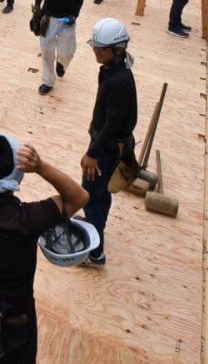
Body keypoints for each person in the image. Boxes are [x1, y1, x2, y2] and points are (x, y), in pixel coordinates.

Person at [0, 135, 87, 363]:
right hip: (16, 312)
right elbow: (79, 196)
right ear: (18, 175)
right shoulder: (30, 219)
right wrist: (40, 166)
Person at [80, 17, 138, 267]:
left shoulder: (119, 82)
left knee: (90, 196)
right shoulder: (112, 70)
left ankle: (95, 253)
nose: (96, 52)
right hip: (107, 144)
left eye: (100, 49)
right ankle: (97, 226)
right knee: (100, 195)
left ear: (118, 49)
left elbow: (112, 124)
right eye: (95, 47)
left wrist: (92, 152)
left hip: (105, 149)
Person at [33, 0, 84, 96]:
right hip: (49, 18)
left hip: (67, 20)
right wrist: (37, 9)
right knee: (47, 52)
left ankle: (62, 64)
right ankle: (48, 81)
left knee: (67, 51)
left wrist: (74, 15)